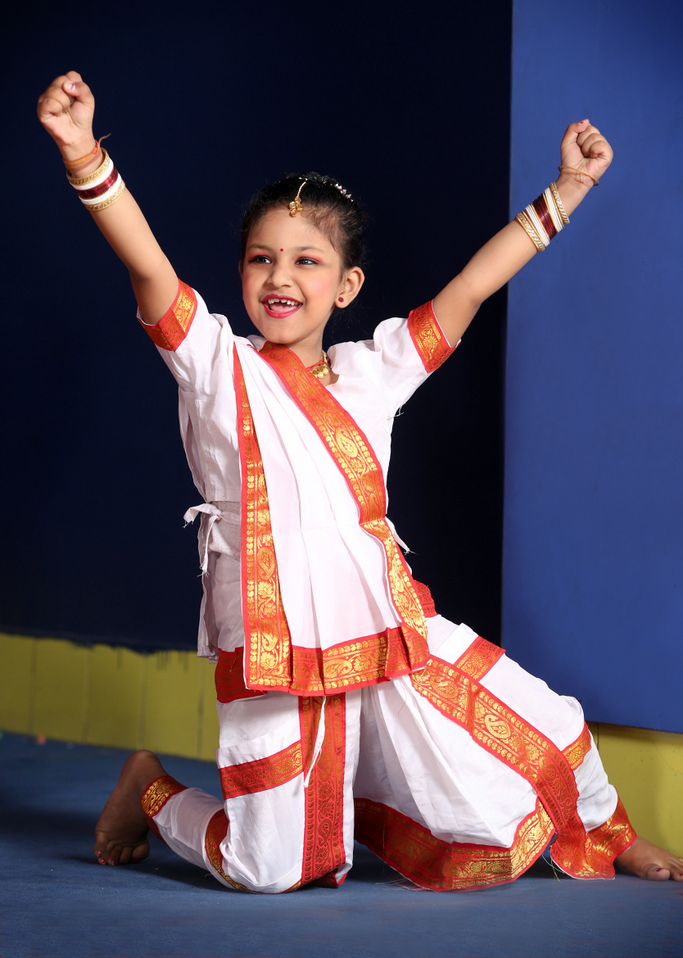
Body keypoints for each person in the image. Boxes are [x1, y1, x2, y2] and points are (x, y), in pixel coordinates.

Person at [37, 71, 683, 893]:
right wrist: (83, 152)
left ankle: (608, 831)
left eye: (308, 261)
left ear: (345, 288)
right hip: (269, 642)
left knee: (551, 724)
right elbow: (149, 267)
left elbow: (472, 287)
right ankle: (150, 789)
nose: (281, 277)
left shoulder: (373, 369)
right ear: (239, 273)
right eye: (262, 258)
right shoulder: (213, 363)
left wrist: (568, 189)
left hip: (384, 626)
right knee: (269, 871)